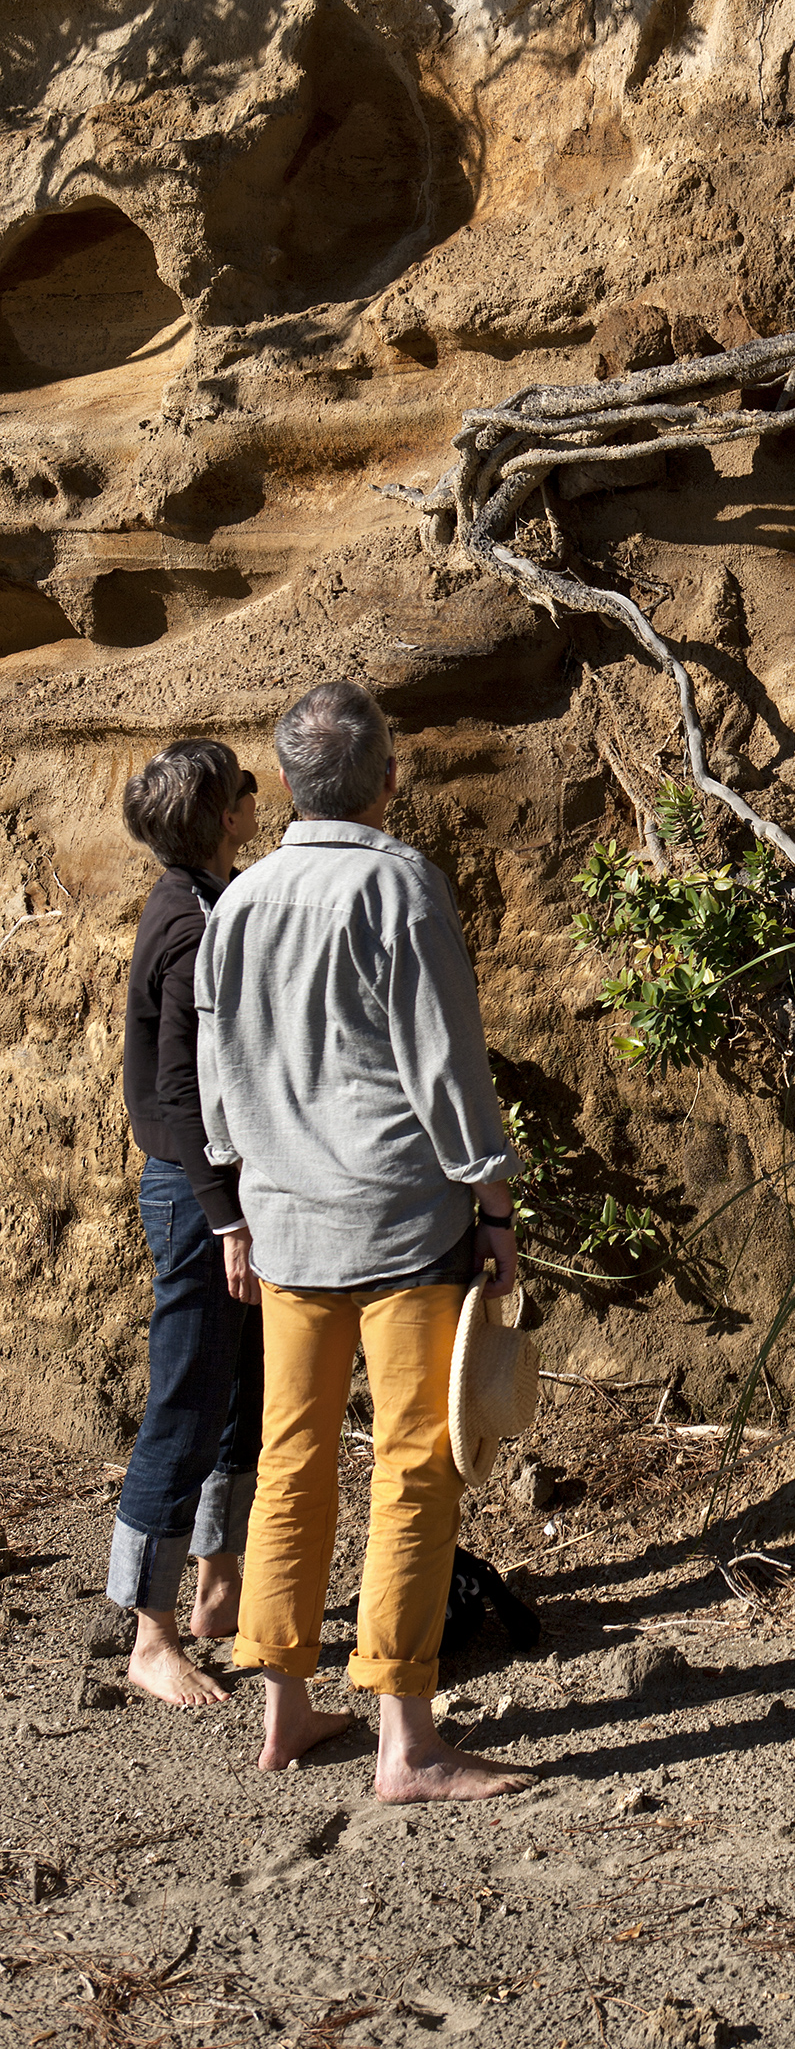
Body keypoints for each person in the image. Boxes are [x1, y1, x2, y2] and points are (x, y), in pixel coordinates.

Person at [196, 680, 529, 1803]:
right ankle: (406, 1738)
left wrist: (237, 1200)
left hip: (285, 1221)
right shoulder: (399, 884)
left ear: (286, 783)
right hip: (398, 1220)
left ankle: (285, 1708)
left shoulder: (240, 900)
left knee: (290, 1458)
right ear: (391, 778)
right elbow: (446, 1064)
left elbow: (217, 1077)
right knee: (413, 1465)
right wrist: (493, 1203)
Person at [115, 739, 263, 1710]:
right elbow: (175, 1088)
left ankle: (216, 1591)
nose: (259, 794)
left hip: (227, 1190)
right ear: (217, 816)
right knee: (184, 1400)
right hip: (195, 1192)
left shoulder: (212, 898)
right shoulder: (184, 923)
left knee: (239, 1388)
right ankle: (149, 1634)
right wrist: (224, 1219)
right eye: (243, 785)